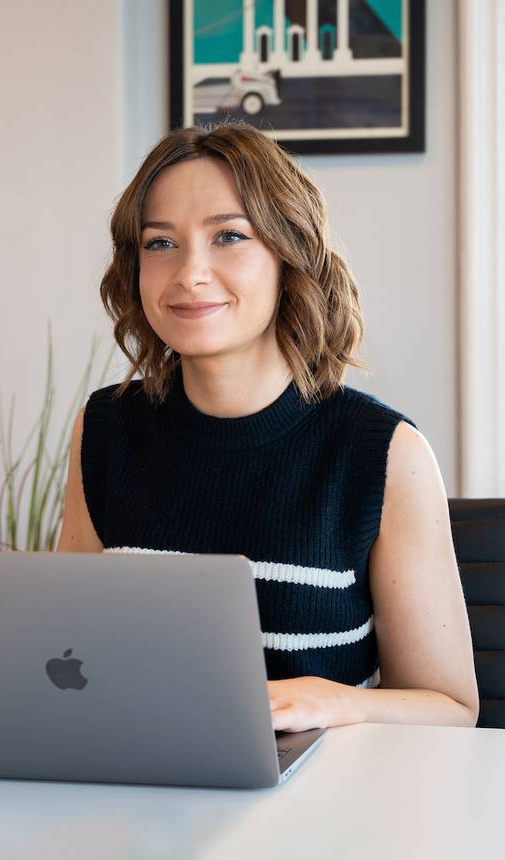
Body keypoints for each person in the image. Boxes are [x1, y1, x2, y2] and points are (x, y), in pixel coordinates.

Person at [57, 120, 479, 732]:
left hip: (320, 810)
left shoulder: (383, 453)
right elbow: (64, 647)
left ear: (288, 257)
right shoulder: (104, 429)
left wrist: (336, 702)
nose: (189, 273)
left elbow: (452, 709)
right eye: (160, 243)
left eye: (228, 236)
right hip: (136, 791)